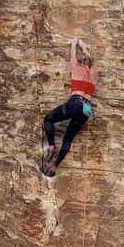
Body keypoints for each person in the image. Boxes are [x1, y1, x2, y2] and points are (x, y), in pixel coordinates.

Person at [42, 37, 97, 177]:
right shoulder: (95, 72)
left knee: (48, 119)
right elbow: (91, 58)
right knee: (68, 140)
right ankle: (55, 165)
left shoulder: (76, 68)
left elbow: (72, 56)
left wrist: (74, 43)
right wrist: (84, 47)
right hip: (86, 109)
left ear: (81, 61)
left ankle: (51, 145)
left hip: (75, 103)